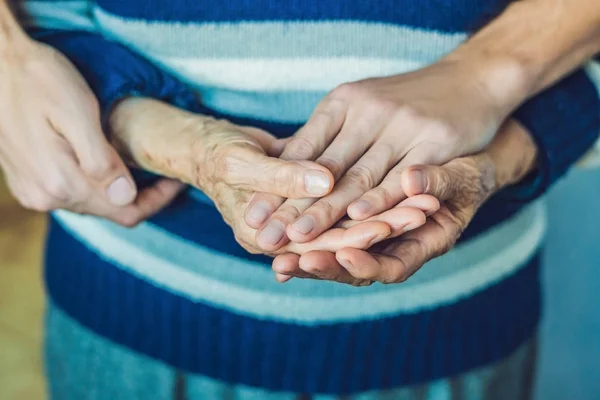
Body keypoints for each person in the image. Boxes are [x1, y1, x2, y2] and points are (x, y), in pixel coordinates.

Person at [4, 1, 600, 400]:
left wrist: (486, 94)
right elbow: (44, 21)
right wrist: (183, 147)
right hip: (132, 317)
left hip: (460, 335)